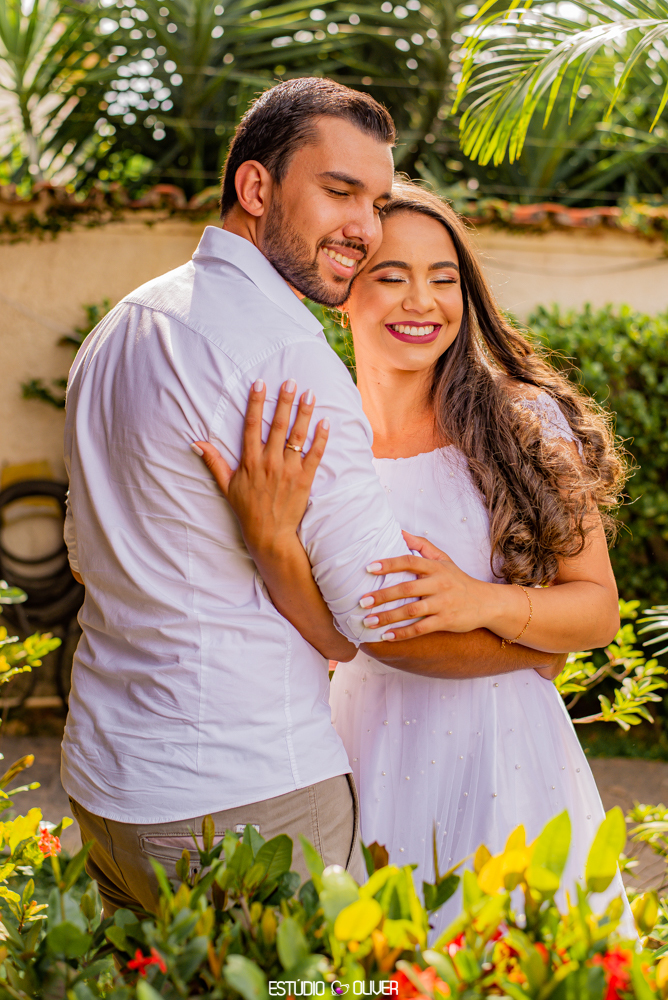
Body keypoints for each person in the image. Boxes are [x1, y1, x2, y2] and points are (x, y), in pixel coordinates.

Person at [62, 78, 561, 916]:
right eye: (339, 192)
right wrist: (530, 654)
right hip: (243, 799)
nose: (363, 229)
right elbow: (382, 620)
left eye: (374, 198)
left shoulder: (122, 327)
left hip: (109, 790)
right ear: (257, 188)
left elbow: (85, 556)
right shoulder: (283, 358)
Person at [194, 181, 631, 931]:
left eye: (444, 278)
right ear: (343, 291)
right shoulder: (317, 436)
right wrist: (269, 539)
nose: (420, 302)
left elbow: (596, 612)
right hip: (358, 741)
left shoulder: (521, 422)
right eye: (391, 277)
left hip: (506, 754)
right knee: (377, 962)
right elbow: (327, 634)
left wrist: (483, 602)